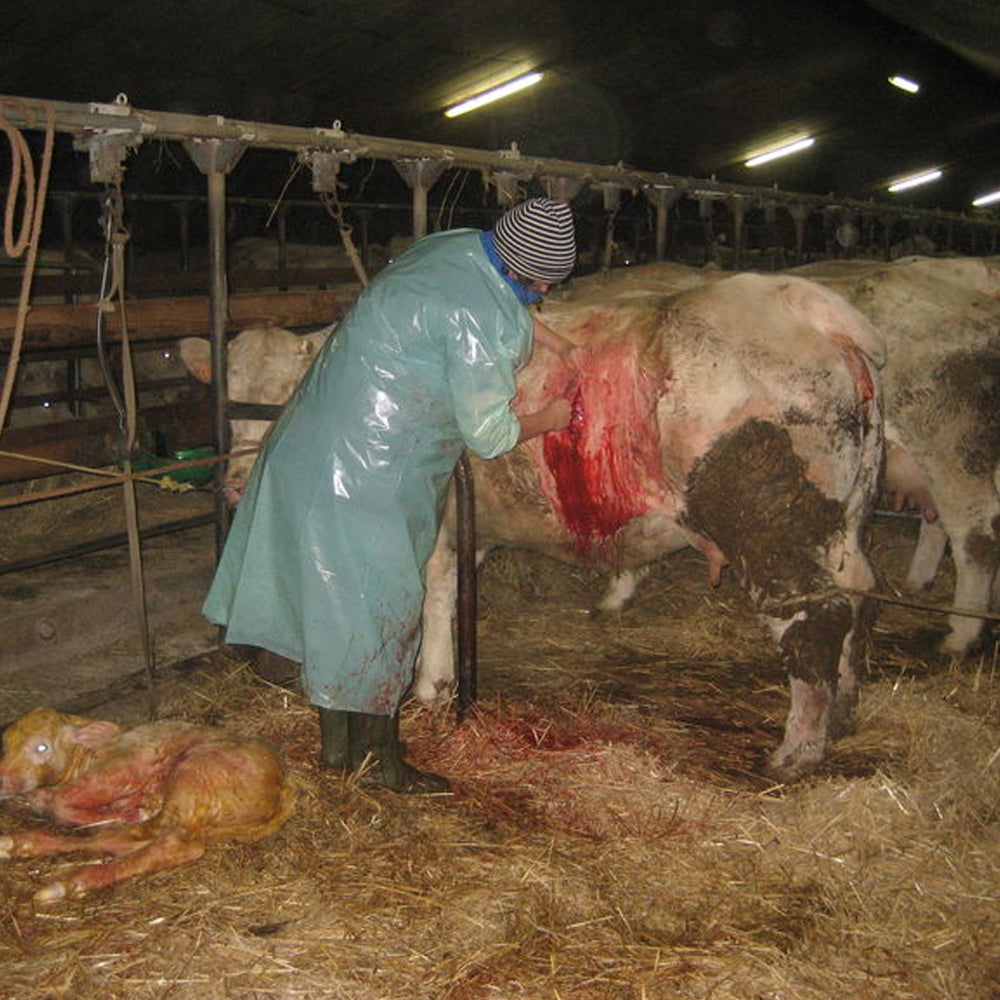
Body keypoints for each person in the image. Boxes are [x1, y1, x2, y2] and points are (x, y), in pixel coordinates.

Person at [203, 197, 578, 792]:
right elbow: (489, 434)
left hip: (308, 449)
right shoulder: (477, 314)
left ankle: (338, 751)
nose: (543, 294)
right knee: (383, 611)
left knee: (335, 608)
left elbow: (489, 293)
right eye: (539, 285)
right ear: (517, 266)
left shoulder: (451, 247)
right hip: (368, 476)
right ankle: (380, 762)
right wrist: (551, 418)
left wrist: (557, 343)